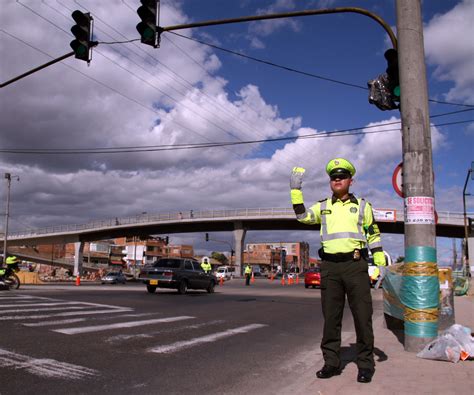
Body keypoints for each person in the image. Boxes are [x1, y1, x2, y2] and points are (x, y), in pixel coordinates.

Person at [290, 158, 386, 384]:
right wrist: (295, 191)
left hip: (355, 266)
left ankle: (365, 364)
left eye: (341, 176)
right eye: (333, 177)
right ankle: (331, 363)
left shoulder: (363, 206)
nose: (337, 180)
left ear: (350, 180)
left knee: (363, 317)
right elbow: (302, 217)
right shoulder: (323, 206)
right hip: (330, 268)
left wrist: (380, 260)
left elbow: (373, 234)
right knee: (331, 318)